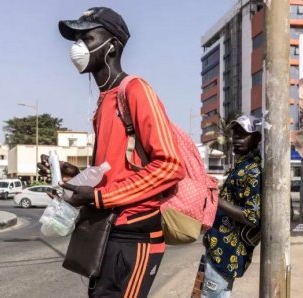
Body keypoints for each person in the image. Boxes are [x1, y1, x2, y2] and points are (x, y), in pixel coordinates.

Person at [44, 7, 185, 297]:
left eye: (87, 37)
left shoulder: (134, 89)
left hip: (134, 235)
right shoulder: (105, 100)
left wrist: (99, 196)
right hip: (106, 232)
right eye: (77, 38)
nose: (78, 46)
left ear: (112, 46)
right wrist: (76, 180)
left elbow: (170, 166)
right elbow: (117, 169)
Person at [200, 115, 262, 297]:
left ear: (256, 139)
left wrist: (214, 198)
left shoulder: (253, 171)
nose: (236, 138)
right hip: (220, 248)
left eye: (243, 134)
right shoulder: (242, 166)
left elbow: (252, 217)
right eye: (235, 134)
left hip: (226, 252)